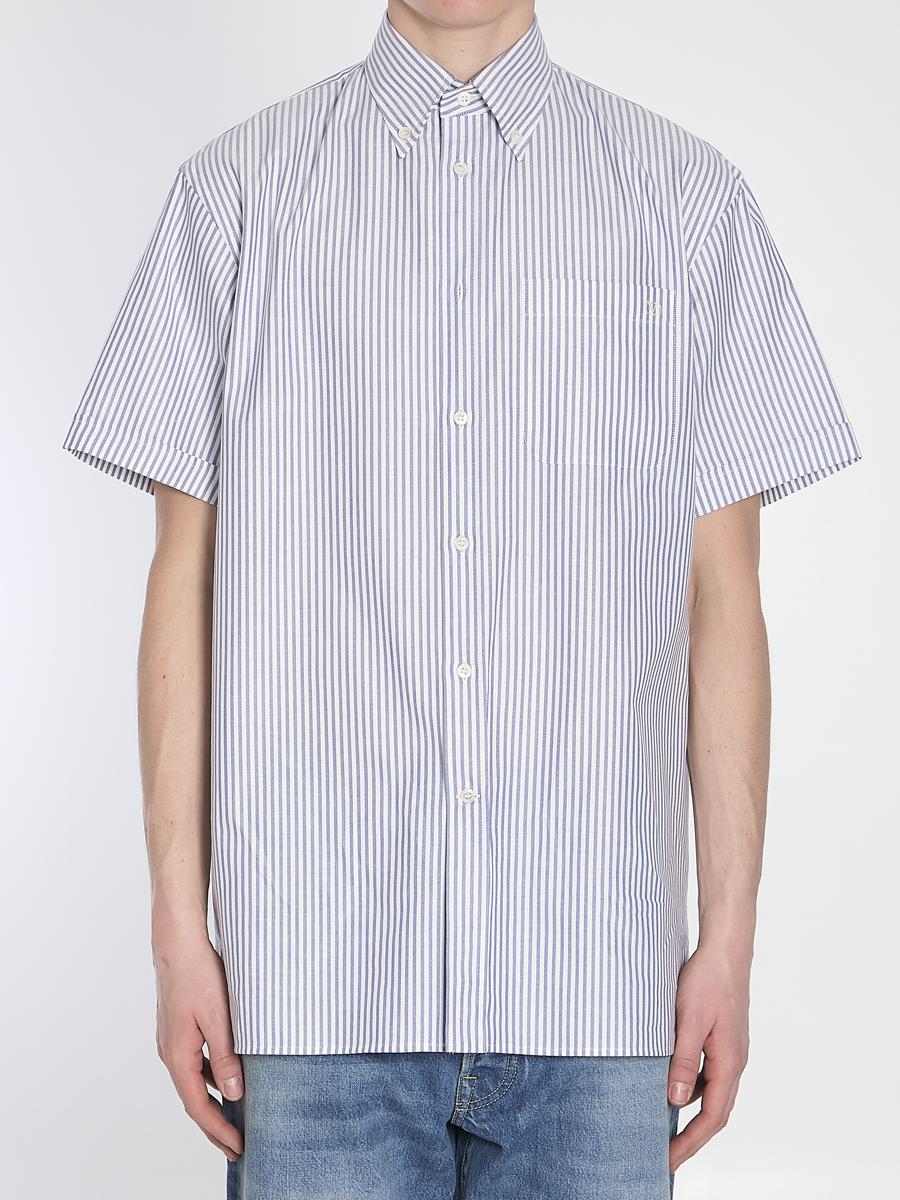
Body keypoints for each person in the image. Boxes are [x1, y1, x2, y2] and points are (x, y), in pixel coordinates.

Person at [61, 2, 862, 1196]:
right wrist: (178, 926)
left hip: (598, 984)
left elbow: (723, 598)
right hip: (315, 980)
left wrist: (729, 941)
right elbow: (185, 576)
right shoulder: (235, 193)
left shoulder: (687, 200)